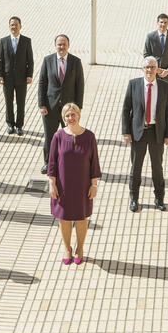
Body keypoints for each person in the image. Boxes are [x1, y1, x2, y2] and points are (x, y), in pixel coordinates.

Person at [47, 103, 101, 266]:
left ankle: (80, 248)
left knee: (81, 218)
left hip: (82, 185)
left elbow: (94, 163)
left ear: (79, 115)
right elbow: (52, 163)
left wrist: (94, 185)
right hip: (63, 186)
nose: (71, 118)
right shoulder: (58, 136)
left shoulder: (89, 136)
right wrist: (52, 183)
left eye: (73, 114)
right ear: (64, 118)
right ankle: (67, 249)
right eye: (67, 116)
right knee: (63, 219)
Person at [122, 56, 168, 212]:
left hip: (156, 133)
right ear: (142, 69)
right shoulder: (134, 85)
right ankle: (134, 199)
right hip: (138, 133)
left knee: (157, 168)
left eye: (152, 67)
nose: (150, 70)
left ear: (157, 69)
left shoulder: (165, 87)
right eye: (147, 67)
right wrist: (126, 132)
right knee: (136, 168)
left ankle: (159, 199)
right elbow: (126, 110)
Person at [38, 34, 85, 175]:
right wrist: (42, 104)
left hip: (69, 110)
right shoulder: (47, 60)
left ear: (68, 45)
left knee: (71, 137)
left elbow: (80, 85)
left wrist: (77, 108)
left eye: (64, 44)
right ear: (55, 45)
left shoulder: (76, 62)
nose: (62, 47)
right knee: (50, 137)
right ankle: (48, 163)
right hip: (50, 108)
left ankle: (70, 161)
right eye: (59, 44)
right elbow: (42, 83)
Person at [0, 16, 34, 135]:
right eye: (12, 25)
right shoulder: (3, 41)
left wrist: (29, 75)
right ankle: (10, 124)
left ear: (20, 26)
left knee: (21, 103)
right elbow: (0, 59)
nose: (14, 27)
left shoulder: (26, 41)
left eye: (16, 24)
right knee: (9, 102)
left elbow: (30, 60)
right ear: (9, 27)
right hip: (7, 78)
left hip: (22, 78)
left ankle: (19, 126)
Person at [143, 13, 168, 85]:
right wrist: (155, 69)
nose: (163, 24)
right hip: (153, 74)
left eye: (165, 22)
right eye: (161, 22)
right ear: (157, 23)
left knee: (167, 95)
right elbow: (146, 54)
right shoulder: (150, 37)